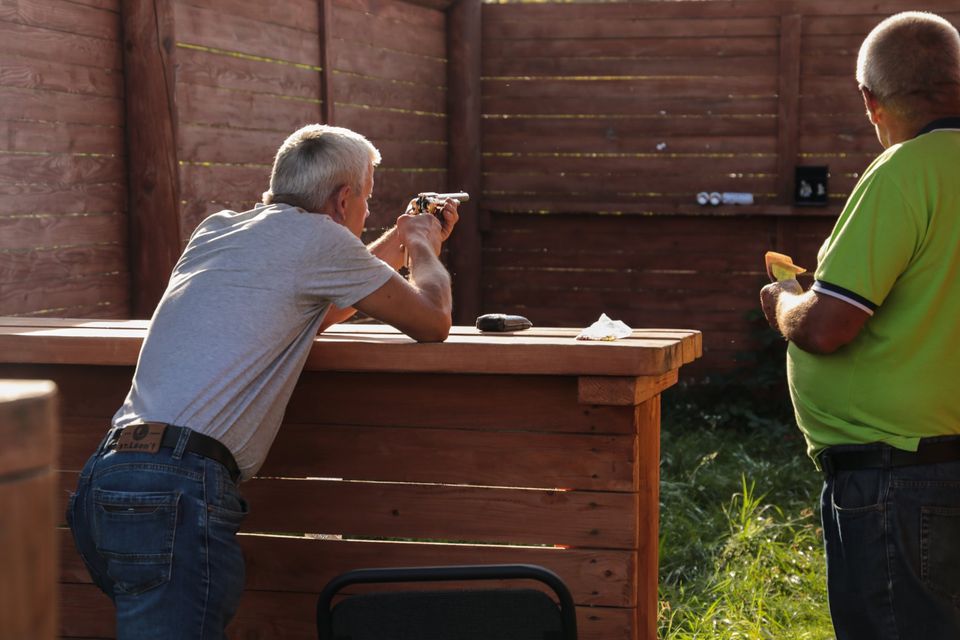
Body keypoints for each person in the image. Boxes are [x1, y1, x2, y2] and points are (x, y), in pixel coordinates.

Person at [66, 124, 461, 638]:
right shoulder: (319, 240)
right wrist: (423, 245)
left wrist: (401, 239)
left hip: (108, 477)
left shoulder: (217, 230)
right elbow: (433, 320)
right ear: (343, 200)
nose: (366, 214)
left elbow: (314, 309)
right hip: (176, 492)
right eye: (367, 199)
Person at [759, 11, 960, 640]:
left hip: (899, 476)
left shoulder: (906, 171)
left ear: (870, 99)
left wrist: (784, 301)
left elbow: (827, 327)